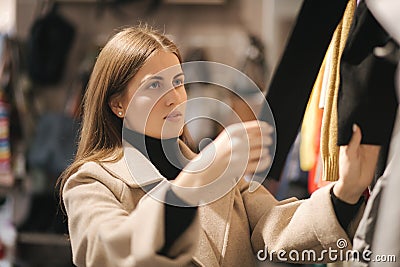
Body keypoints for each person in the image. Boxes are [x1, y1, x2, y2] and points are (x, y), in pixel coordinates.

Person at [58, 26, 379, 267]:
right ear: (118, 105)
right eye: (153, 85)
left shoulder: (222, 174)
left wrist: (346, 192)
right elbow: (113, 252)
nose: (174, 97)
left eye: (178, 82)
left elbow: (279, 229)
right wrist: (197, 176)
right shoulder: (92, 182)